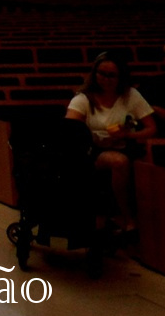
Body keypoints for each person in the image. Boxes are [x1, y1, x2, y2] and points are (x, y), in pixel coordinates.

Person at [66, 52, 156, 231]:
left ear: (121, 76)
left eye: (111, 75)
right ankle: (126, 216)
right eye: (101, 73)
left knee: (150, 166)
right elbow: (70, 129)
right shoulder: (83, 98)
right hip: (92, 150)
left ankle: (150, 222)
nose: (105, 79)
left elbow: (151, 128)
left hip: (125, 144)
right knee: (118, 162)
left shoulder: (131, 95)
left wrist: (127, 135)